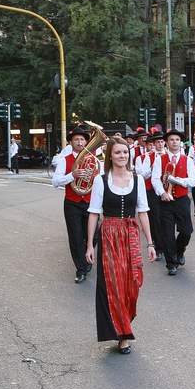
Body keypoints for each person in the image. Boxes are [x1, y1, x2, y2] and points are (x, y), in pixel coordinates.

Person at [84, 136, 157, 355]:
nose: (122, 156)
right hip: (109, 235)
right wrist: (90, 245)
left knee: (132, 285)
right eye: (117, 152)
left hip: (131, 234)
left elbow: (143, 212)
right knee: (114, 284)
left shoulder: (137, 179)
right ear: (110, 156)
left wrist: (151, 243)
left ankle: (124, 322)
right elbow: (94, 213)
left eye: (125, 152)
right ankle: (123, 334)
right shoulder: (101, 180)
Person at [51, 126, 97, 283]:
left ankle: (86, 255)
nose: (80, 142)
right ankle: (81, 268)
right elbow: (55, 182)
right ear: (70, 142)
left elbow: (102, 180)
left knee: (94, 235)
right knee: (76, 237)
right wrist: (72, 175)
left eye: (82, 139)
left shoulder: (94, 159)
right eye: (76, 139)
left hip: (91, 203)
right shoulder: (65, 160)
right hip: (72, 203)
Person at [151, 128, 195, 276]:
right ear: (167, 142)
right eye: (171, 139)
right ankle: (171, 263)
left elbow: (194, 180)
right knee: (167, 234)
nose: (174, 142)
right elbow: (155, 179)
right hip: (165, 201)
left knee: (186, 231)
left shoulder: (188, 160)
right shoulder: (160, 159)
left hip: (182, 200)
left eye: (177, 140)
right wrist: (162, 193)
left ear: (181, 142)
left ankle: (180, 250)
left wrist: (178, 181)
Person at [135, 131, 166, 260]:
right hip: (151, 191)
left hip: (168, 190)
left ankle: (166, 243)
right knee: (156, 219)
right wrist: (153, 167)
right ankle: (158, 247)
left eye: (161, 142)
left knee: (166, 219)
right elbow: (142, 176)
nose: (159, 144)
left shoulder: (171, 156)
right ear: (153, 144)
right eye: (157, 142)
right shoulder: (147, 157)